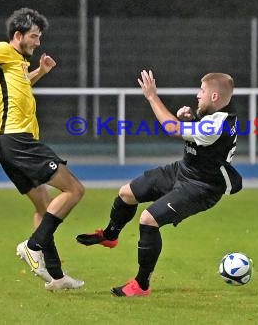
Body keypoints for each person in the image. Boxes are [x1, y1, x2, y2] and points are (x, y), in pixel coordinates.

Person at [76, 69, 242, 297]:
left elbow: (171, 128)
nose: (197, 95)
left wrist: (152, 96)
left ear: (215, 97)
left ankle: (141, 285)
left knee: (148, 220)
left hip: (201, 187)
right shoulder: (214, 116)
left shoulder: (218, 124)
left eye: (202, 91)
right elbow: (201, 136)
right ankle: (110, 235)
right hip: (183, 171)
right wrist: (192, 119)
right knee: (126, 194)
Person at [0, 7, 85, 291]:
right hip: (17, 139)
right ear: (18, 35)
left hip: (10, 142)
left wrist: (40, 71)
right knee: (74, 190)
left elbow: (19, 86)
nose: (38, 43)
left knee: (44, 207)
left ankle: (57, 277)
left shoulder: (18, 61)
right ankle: (32, 246)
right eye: (34, 36)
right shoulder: (2, 50)